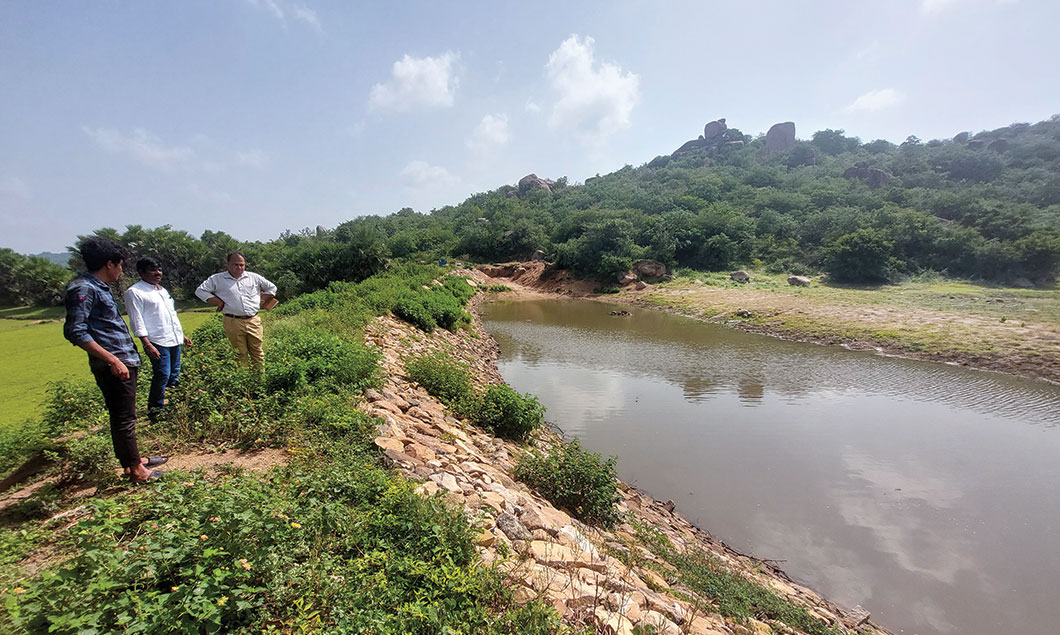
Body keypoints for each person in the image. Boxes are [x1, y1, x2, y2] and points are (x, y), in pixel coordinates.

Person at [64, 237, 162, 483]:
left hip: (121, 359)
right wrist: (112, 360)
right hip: (114, 363)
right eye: (120, 265)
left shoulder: (96, 287)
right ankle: (137, 472)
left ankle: (134, 461)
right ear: (109, 264)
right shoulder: (84, 288)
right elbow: (75, 331)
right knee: (123, 418)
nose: (120, 271)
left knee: (125, 414)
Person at [124, 257, 192, 421]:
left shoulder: (162, 290)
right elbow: (137, 320)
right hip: (156, 340)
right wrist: (146, 343)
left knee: (174, 374)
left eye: (159, 269)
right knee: (162, 374)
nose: (158, 273)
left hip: (173, 338)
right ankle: (156, 412)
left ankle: (173, 406)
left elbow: (170, 315)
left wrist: (181, 334)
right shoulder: (135, 292)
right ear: (141, 272)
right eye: (153, 270)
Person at [195, 252, 277, 366]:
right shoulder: (217, 279)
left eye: (242, 265)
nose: (239, 267)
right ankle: (243, 381)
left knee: (257, 352)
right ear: (227, 264)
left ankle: (259, 380)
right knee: (240, 353)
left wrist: (262, 299)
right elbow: (200, 291)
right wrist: (218, 302)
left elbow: (272, 288)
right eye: (235, 264)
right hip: (233, 321)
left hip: (253, 320)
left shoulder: (253, 277)